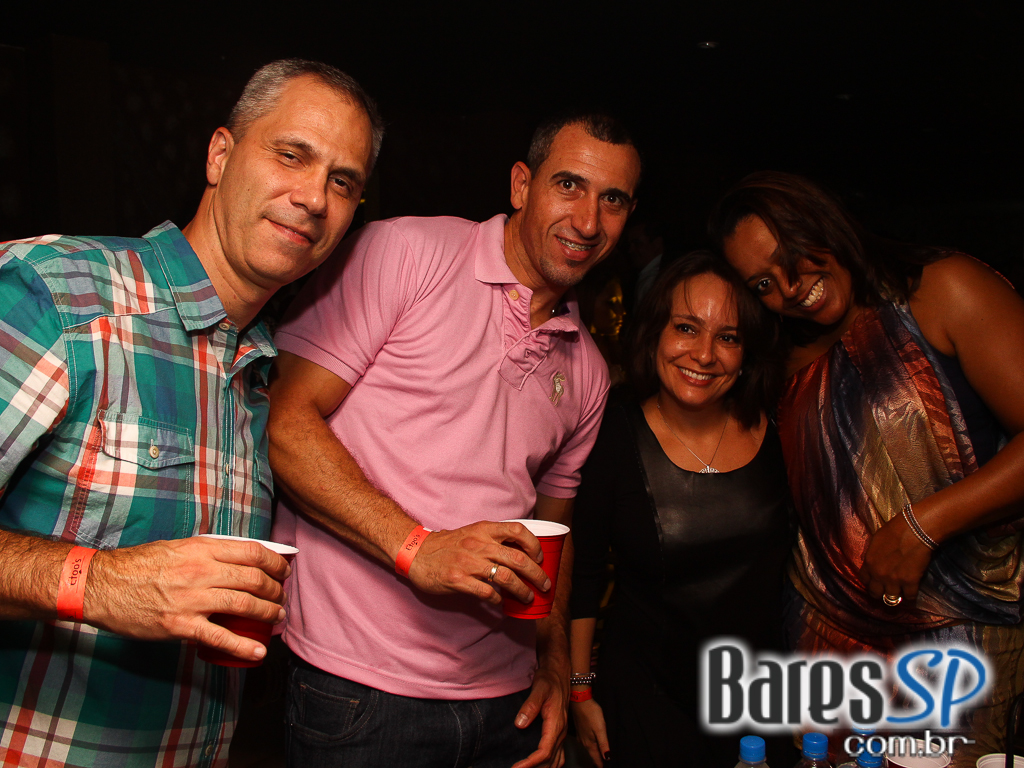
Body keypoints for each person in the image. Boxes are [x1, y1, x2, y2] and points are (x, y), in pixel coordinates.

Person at [0, 59, 382, 766]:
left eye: (342, 182)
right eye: (291, 154)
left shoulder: (260, 376)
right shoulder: (62, 295)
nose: (313, 198)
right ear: (219, 155)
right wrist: (103, 584)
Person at [266, 112, 641, 768]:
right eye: (569, 185)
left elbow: (555, 537)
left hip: (508, 701)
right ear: (521, 185)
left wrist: (555, 667)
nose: (587, 221)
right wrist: (418, 548)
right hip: (363, 691)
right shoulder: (406, 252)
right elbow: (286, 423)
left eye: (612, 200)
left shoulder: (587, 368)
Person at [711, 171, 1024, 762]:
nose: (790, 287)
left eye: (791, 252)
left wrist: (922, 527)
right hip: (824, 643)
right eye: (763, 283)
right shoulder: (783, 361)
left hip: (957, 640)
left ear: (822, 220)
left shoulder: (941, 291)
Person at [568, 251, 795, 767]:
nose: (704, 354)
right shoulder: (612, 435)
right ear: (656, 332)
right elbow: (583, 574)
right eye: (687, 328)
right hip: (648, 704)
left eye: (728, 337)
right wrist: (580, 691)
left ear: (747, 353)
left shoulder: (779, 429)